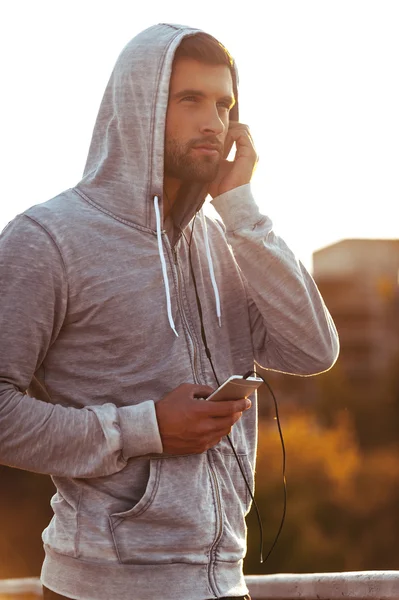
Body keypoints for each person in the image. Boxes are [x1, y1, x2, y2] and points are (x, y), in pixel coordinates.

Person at [0, 23, 339, 600]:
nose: (214, 121)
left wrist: (242, 210)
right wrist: (146, 428)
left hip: (224, 584)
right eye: (189, 100)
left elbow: (315, 350)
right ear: (141, 107)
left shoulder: (230, 239)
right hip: (101, 588)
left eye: (224, 104)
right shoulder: (47, 238)